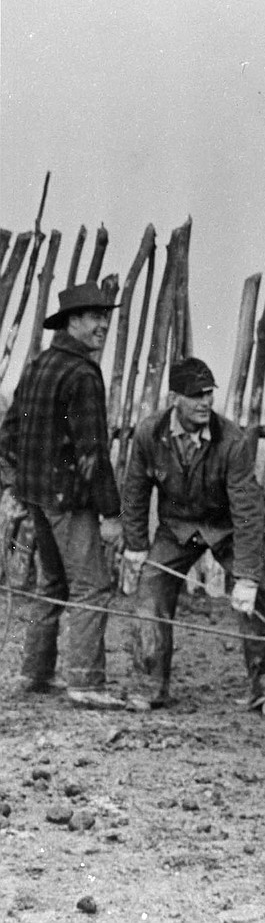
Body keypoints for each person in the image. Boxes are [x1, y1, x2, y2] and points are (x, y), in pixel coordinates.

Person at [121, 357, 265, 715]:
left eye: (209, 394)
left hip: (225, 526)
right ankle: (150, 686)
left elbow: (247, 509)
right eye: (196, 395)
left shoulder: (233, 441)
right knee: (150, 591)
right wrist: (135, 546)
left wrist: (246, 576)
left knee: (254, 600)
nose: (205, 403)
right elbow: (134, 492)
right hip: (176, 528)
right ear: (174, 397)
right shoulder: (150, 433)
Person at [0, 281, 126, 709]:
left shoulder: (38, 366)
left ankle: (34, 672)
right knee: (92, 586)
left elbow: (10, 432)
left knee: (52, 582)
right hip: (68, 501)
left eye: (105, 317)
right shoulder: (82, 375)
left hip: (36, 497)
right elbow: (92, 453)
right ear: (72, 322)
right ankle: (86, 683)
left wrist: (16, 484)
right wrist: (111, 515)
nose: (103, 324)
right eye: (94, 317)